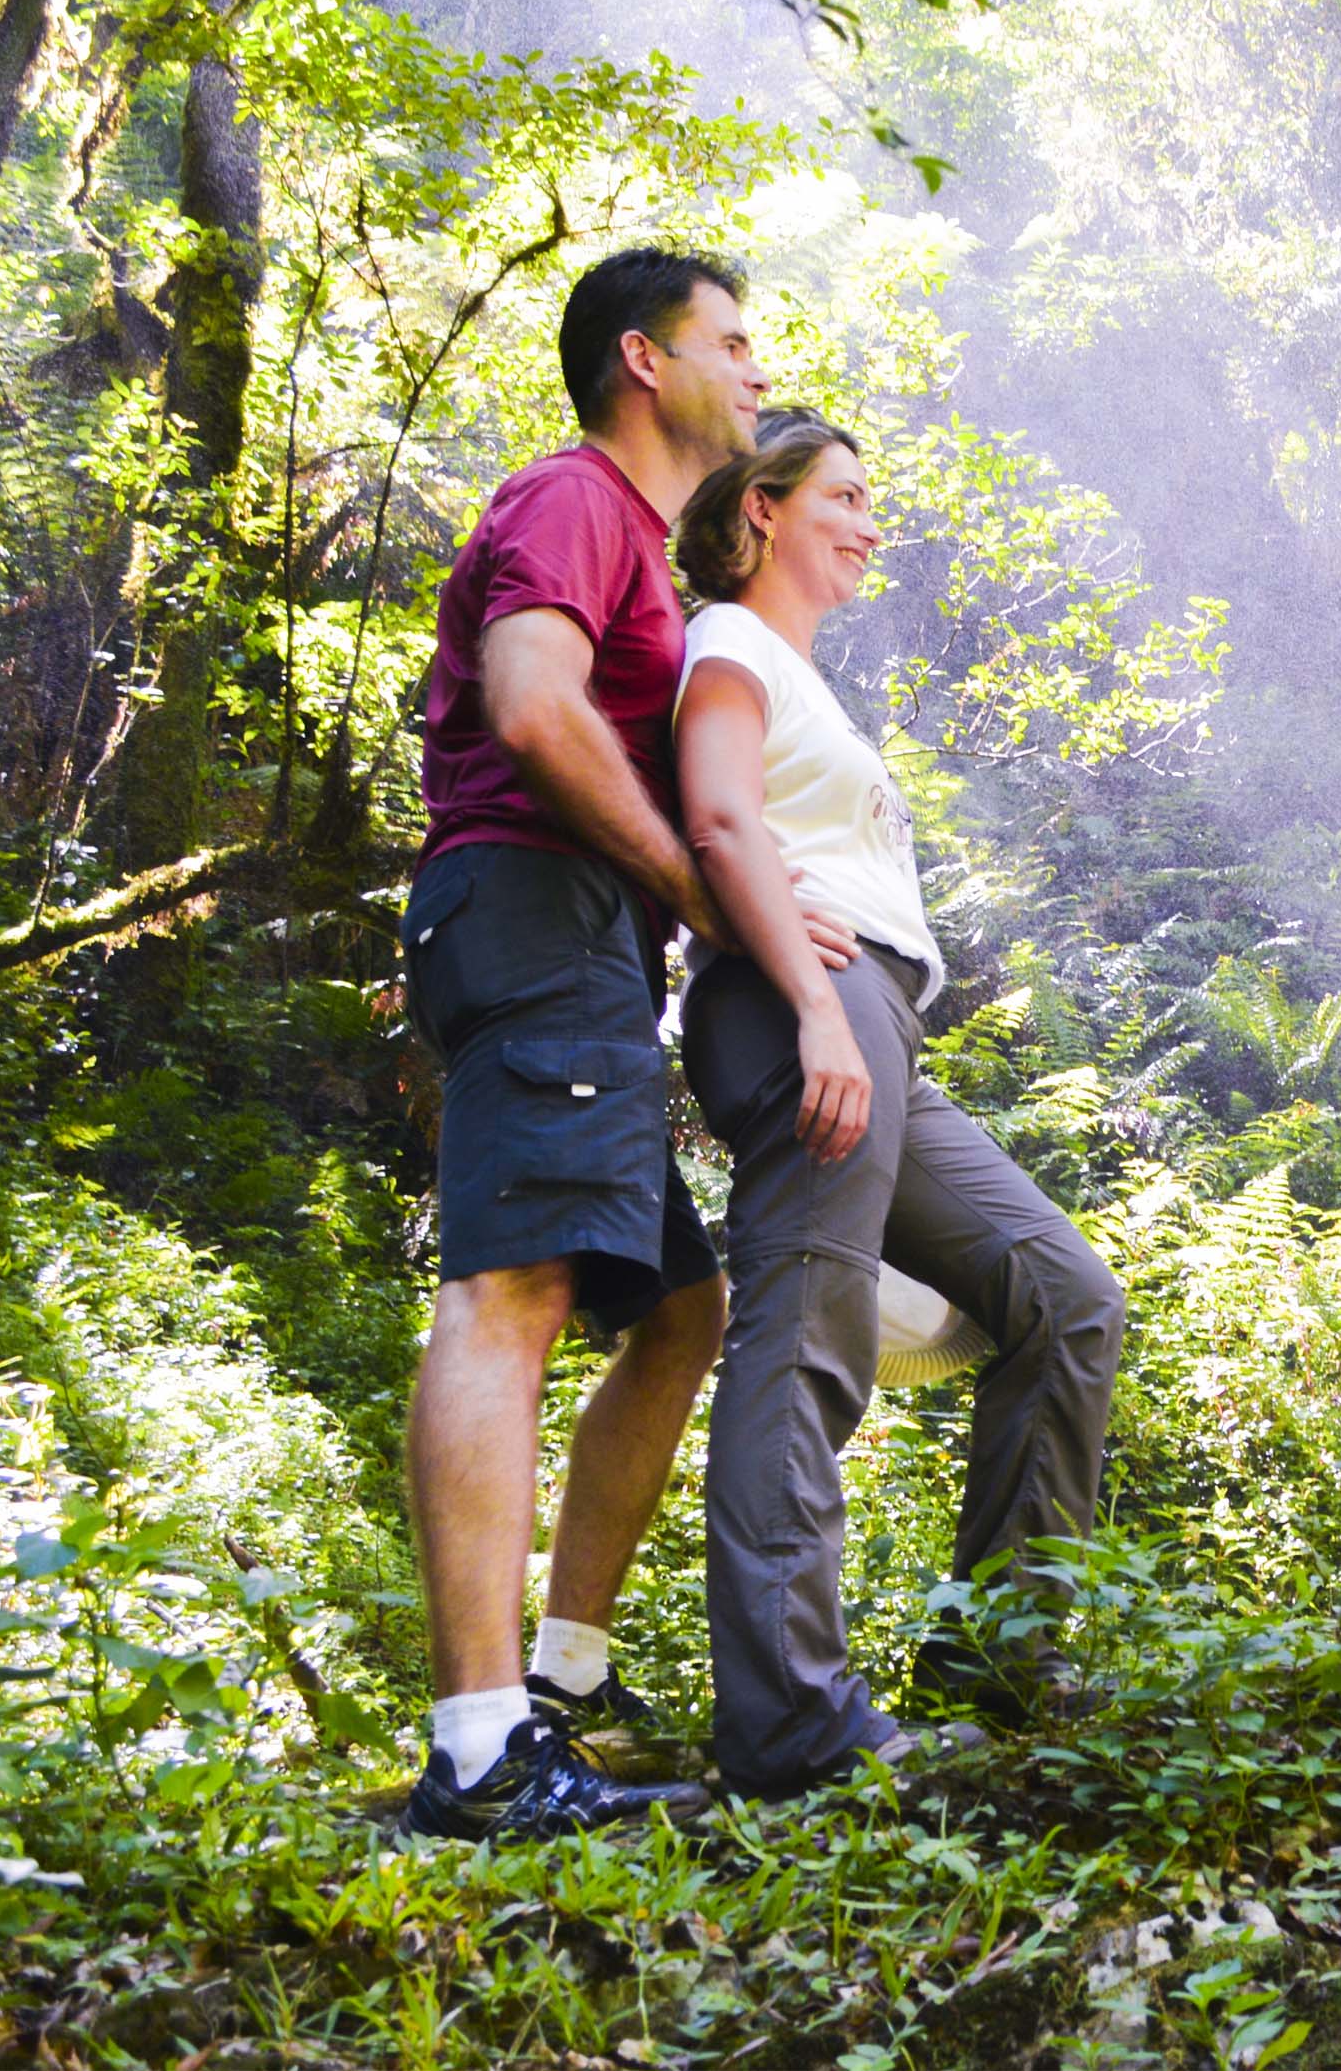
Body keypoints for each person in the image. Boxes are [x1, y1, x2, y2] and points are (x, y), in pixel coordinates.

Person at [393, 247, 852, 1839]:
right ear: (646, 363)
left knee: (679, 1310)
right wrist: (693, 891)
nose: (753, 361)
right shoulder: (577, 497)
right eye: (733, 337)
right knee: (508, 1291)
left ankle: (566, 1679)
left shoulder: (646, 552)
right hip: (533, 910)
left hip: (577, 942)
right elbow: (529, 704)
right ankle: (476, 1746)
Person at [670, 412, 1129, 1798]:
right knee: (803, 1330)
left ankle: (997, 1669)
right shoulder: (730, 644)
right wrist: (815, 1012)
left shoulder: (803, 676)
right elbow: (720, 819)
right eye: (845, 497)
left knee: (1061, 1294)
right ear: (762, 507)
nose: (872, 522)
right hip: (807, 1000)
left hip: (874, 1019)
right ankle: (791, 1728)